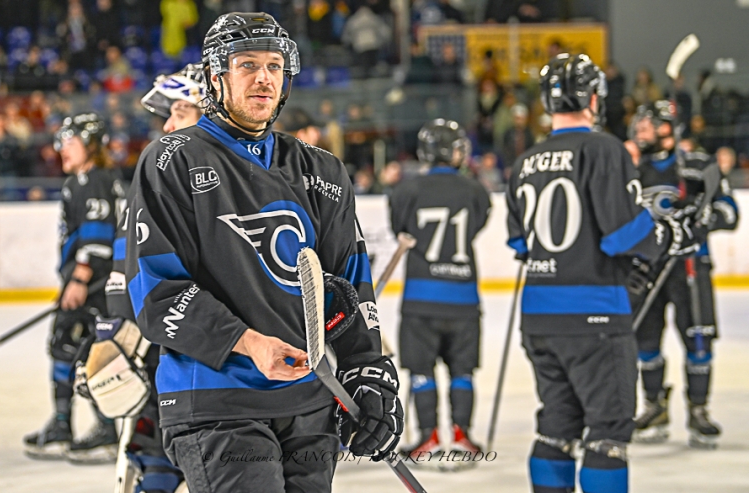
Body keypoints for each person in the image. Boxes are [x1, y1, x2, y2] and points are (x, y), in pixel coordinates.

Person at [123, 12, 402, 492]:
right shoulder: (173, 159)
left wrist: (367, 369)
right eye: (247, 64)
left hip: (311, 403)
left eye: (274, 66)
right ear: (217, 77)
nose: (263, 78)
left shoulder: (323, 171)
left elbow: (351, 285)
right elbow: (157, 294)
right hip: (216, 402)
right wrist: (250, 343)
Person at [506, 54, 702, 493]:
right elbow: (622, 236)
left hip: (538, 317)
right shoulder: (605, 148)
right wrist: (669, 236)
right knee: (608, 433)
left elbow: (520, 244)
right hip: (594, 317)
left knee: (555, 428)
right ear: (594, 97)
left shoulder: (525, 161)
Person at [95, 63, 207, 493]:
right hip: (170, 341)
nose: (168, 125)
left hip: (221, 353)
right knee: (158, 443)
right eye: (171, 113)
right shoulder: (157, 172)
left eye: (180, 111)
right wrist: (116, 326)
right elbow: (128, 264)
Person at [630, 100, 739, 449]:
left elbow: (729, 211)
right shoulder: (633, 172)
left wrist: (705, 217)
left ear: (667, 129)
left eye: (648, 125)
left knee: (698, 339)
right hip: (646, 267)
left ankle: (698, 410)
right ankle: (655, 407)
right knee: (645, 342)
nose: (640, 132)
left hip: (690, 266)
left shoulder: (698, 165)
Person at [388, 119, 491, 468]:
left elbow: (400, 229)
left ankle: (427, 436)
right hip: (464, 298)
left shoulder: (406, 190)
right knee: (463, 371)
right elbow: (477, 223)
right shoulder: (475, 190)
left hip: (420, 297)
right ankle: (461, 435)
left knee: (420, 371)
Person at [23, 112, 125, 463]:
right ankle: (64, 424)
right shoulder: (91, 178)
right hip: (92, 282)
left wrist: (80, 279)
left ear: (91, 145)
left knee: (85, 351)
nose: (62, 150)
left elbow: (98, 237)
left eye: (71, 143)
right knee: (68, 345)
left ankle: (102, 429)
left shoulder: (91, 180)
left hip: (94, 285)